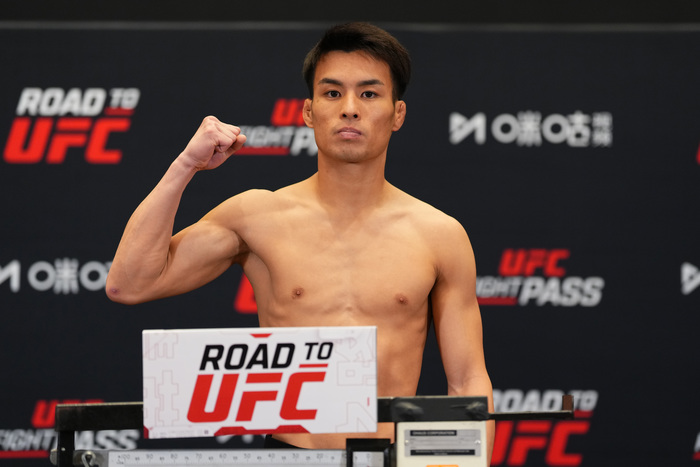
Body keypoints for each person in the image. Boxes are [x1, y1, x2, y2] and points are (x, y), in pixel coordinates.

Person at [106, 22, 494, 459]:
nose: (350, 109)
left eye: (369, 94)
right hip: (289, 453)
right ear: (309, 111)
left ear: (397, 113)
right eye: (332, 93)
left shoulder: (439, 234)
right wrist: (184, 166)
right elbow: (129, 284)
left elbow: (467, 380)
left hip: (388, 456)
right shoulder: (257, 217)